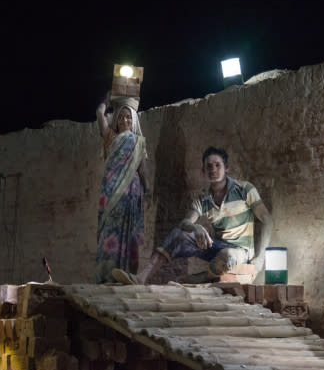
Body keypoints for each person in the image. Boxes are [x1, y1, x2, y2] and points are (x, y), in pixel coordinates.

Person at [113, 146, 273, 285]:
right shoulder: (203, 199)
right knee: (178, 235)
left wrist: (260, 258)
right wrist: (195, 227)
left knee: (226, 255)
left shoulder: (244, 189)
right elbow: (185, 222)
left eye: (218, 165)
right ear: (203, 171)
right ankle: (141, 277)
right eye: (209, 166)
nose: (213, 170)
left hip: (241, 252)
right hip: (218, 248)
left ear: (227, 167)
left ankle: (202, 277)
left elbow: (267, 220)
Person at [94, 95, 149, 283]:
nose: (125, 120)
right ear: (116, 119)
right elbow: (99, 113)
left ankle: (126, 276)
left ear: (134, 120)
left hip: (131, 192)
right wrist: (107, 97)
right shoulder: (110, 136)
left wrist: (147, 190)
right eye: (121, 116)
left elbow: (142, 169)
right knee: (109, 232)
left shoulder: (139, 141)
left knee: (128, 234)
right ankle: (106, 277)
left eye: (128, 117)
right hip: (110, 191)